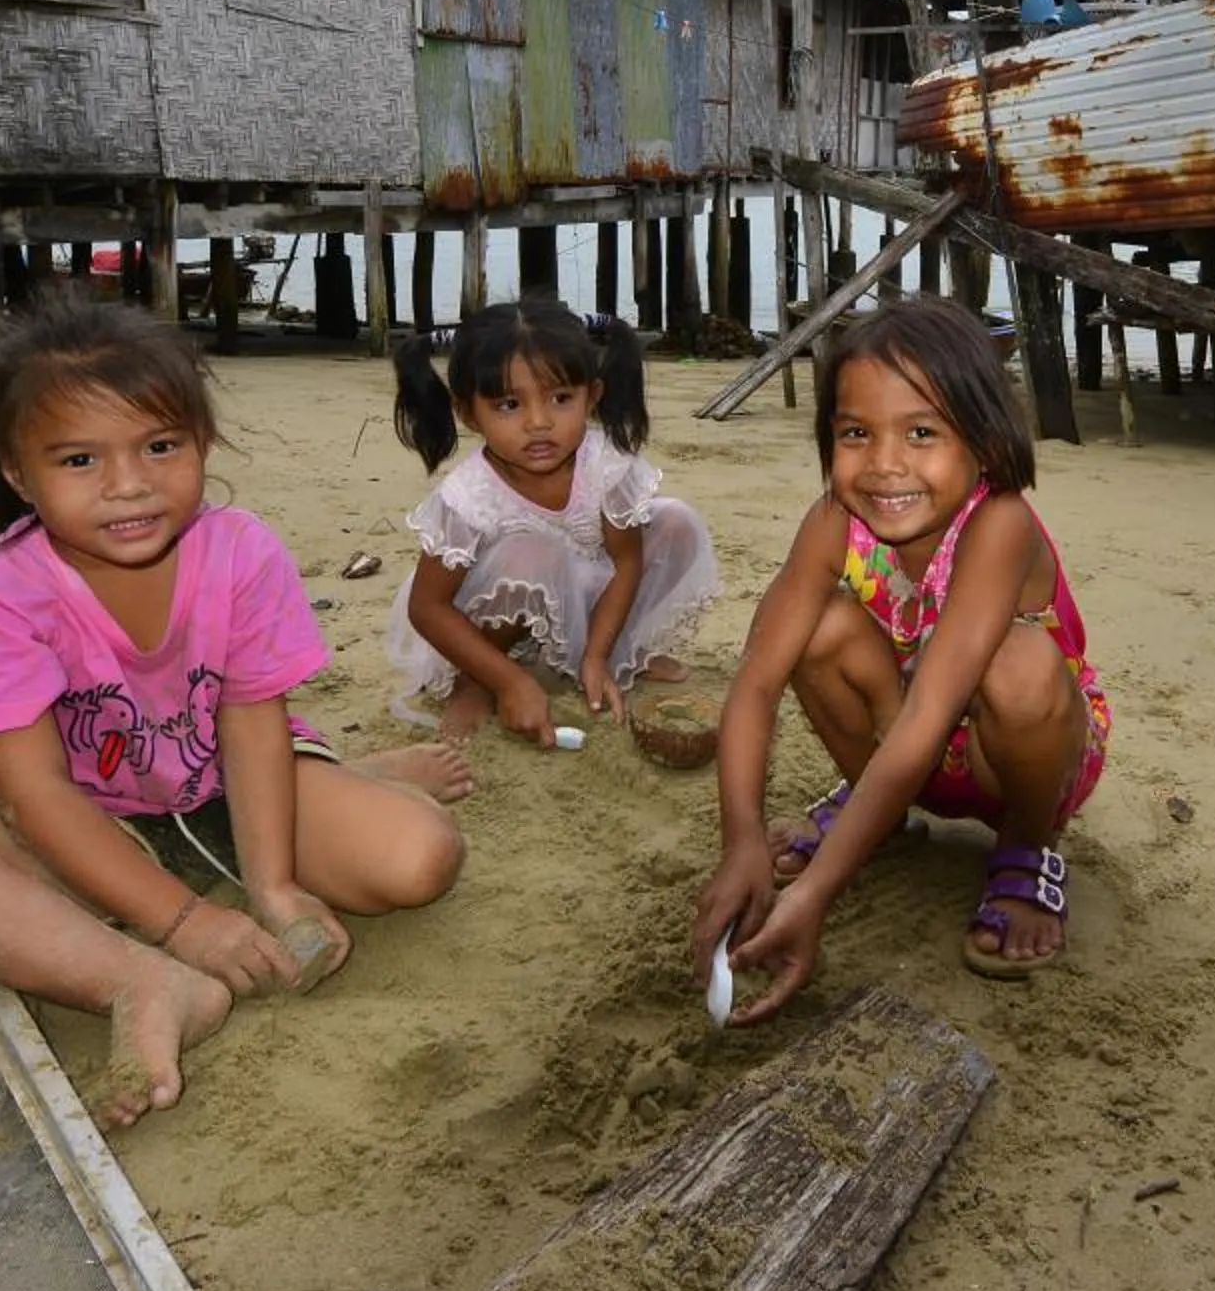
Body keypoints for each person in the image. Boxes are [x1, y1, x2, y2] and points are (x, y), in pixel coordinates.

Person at [0, 294, 467, 1130]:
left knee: (420, 859)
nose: (129, 485)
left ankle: (339, 781)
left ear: (202, 443)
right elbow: (32, 796)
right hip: (93, 829)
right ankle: (140, 980)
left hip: (232, 789)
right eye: (79, 460)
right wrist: (186, 926)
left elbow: (251, 719)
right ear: (18, 473)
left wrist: (273, 889)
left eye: (160, 446)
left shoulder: (239, 551)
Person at [692, 298, 1111, 1022]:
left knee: (1019, 662)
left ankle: (1025, 846)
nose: (885, 465)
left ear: (985, 439)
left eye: (922, 432)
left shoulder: (1000, 523)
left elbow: (927, 720)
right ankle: (878, 814)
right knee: (818, 629)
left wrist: (814, 893)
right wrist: (742, 841)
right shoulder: (834, 522)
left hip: (1019, 758)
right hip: (904, 745)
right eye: (856, 433)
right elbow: (756, 684)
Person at [385, 297, 719, 744]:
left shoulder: (605, 463)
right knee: (533, 552)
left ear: (592, 396)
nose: (539, 423)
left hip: (584, 586)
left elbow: (626, 563)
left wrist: (596, 657)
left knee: (676, 522)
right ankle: (476, 681)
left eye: (561, 399)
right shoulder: (468, 495)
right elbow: (427, 608)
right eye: (509, 405)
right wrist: (509, 682)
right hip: (489, 623)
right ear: (469, 415)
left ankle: (621, 653)